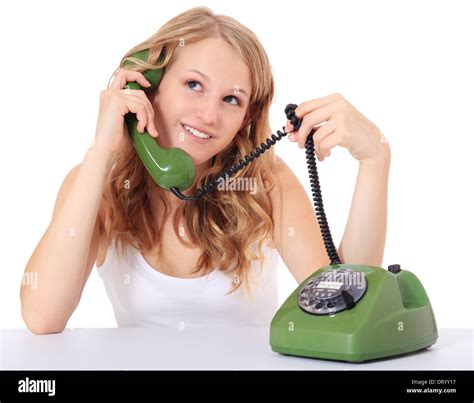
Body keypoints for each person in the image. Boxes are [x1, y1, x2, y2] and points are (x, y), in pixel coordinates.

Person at [20, 6, 391, 334]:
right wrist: (101, 153)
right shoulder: (95, 184)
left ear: (246, 116)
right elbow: (42, 317)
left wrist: (375, 160)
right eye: (193, 84)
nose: (209, 115)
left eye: (231, 99)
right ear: (148, 85)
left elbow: (347, 308)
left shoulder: (265, 183)